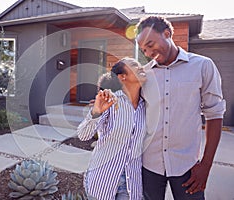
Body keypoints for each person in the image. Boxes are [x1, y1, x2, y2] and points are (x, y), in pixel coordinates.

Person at [135, 15, 226, 200]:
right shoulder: (144, 75)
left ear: (167, 34)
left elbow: (214, 115)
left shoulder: (202, 66)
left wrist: (206, 165)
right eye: (144, 49)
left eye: (150, 44)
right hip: (149, 166)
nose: (148, 53)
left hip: (187, 167)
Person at [77, 57, 146, 200]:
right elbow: (83, 135)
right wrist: (96, 112)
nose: (141, 67)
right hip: (103, 180)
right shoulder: (111, 101)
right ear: (122, 77)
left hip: (131, 185)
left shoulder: (146, 106)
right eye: (134, 65)